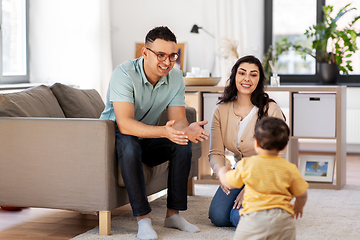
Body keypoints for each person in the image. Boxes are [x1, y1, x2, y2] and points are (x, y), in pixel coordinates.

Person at [100, 26, 210, 240]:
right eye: (160, 55)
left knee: (182, 143)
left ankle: (173, 215)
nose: (167, 62)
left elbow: (178, 121)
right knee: (130, 144)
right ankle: (143, 220)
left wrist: (186, 130)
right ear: (145, 53)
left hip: (146, 138)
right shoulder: (123, 73)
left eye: (172, 56)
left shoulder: (176, 77)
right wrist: (164, 132)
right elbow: (125, 125)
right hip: (116, 138)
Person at [208, 55, 287, 227]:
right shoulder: (221, 110)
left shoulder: (270, 109)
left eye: (253, 74)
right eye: (242, 73)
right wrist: (222, 172)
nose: (247, 79)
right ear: (234, 76)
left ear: (259, 79)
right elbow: (215, 153)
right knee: (219, 216)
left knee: (239, 218)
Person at [218, 117, 308, 240]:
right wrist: (298, 207)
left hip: (253, 220)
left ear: (256, 143)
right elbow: (302, 194)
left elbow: (228, 182)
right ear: (284, 145)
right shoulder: (290, 168)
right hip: (282, 221)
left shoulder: (247, 164)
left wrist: (224, 169)